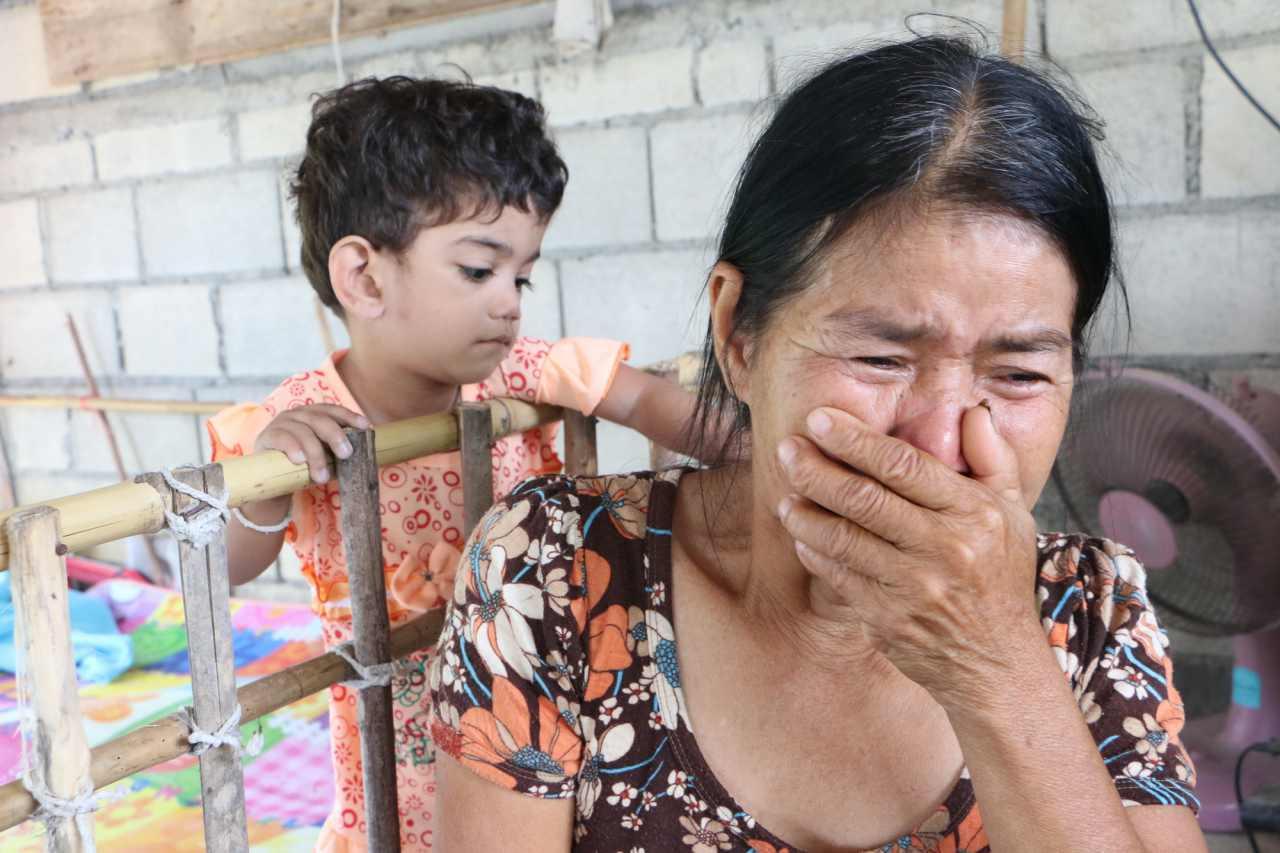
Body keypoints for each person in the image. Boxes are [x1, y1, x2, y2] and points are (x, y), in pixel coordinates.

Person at [427, 36, 1209, 852]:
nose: (941, 442)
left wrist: (997, 665)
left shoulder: (1089, 612)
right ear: (739, 334)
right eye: (881, 358)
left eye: (1018, 373)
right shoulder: (554, 571)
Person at [206, 76, 700, 851]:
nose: (510, 302)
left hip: (538, 711)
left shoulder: (519, 375)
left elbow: (645, 400)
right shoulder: (300, 418)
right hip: (393, 736)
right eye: (479, 270)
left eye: (521, 275)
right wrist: (268, 485)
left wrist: (763, 446)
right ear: (364, 277)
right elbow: (227, 565)